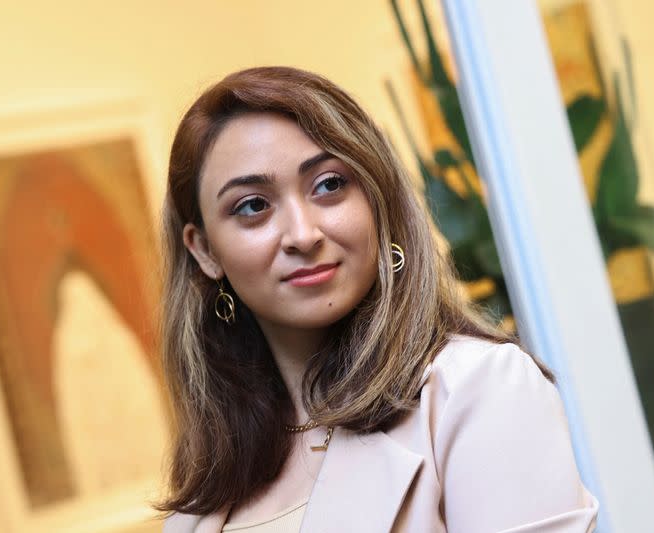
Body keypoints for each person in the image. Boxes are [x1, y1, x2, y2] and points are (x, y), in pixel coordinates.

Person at [156, 66, 598, 532]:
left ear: (377, 200)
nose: (303, 235)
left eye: (329, 185)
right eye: (253, 206)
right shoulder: (209, 481)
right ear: (205, 251)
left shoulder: (478, 389)